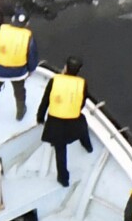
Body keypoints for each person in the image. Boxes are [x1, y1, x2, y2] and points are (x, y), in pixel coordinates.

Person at [35, 56, 93, 187]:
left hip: (55, 124)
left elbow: (45, 101)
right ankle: (88, 146)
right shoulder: (82, 83)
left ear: (65, 67)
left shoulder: (55, 80)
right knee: (83, 125)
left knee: (60, 151)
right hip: (74, 121)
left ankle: (63, 179)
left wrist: (40, 117)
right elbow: (82, 102)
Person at [0, 9, 38, 120]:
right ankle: (20, 112)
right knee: (20, 91)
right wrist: (31, 69)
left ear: (12, 19)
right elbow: (32, 56)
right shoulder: (28, 37)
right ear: (27, 24)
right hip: (19, 71)